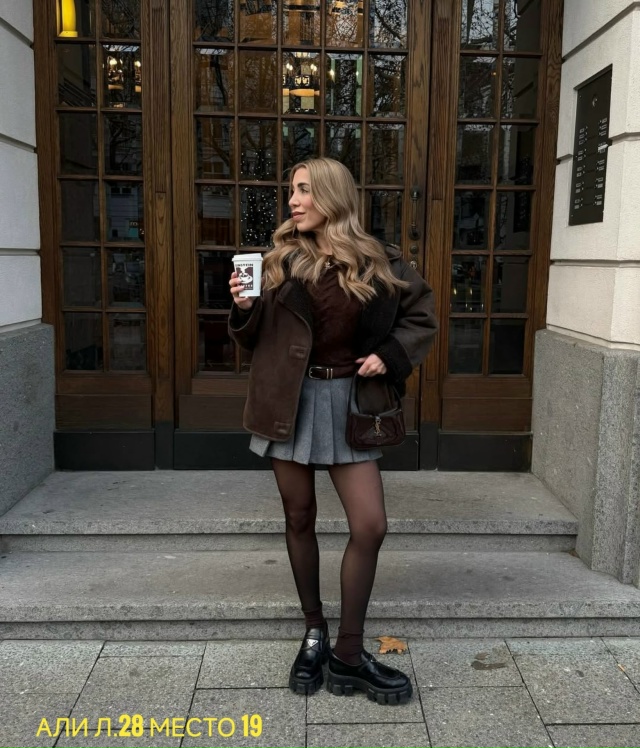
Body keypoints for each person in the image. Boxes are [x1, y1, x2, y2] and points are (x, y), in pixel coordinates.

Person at [228, 157, 437, 705]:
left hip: (350, 403)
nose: (293, 201)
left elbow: (421, 317)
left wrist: (390, 355)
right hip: (288, 401)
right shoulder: (279, 262)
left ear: (332, 196)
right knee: (299, 516)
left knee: (370, 525)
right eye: (291, 191)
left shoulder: (380, 261)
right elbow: (252, 339)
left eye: (304, 190)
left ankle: (348, 653)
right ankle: (314, 631)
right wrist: (245, 308)